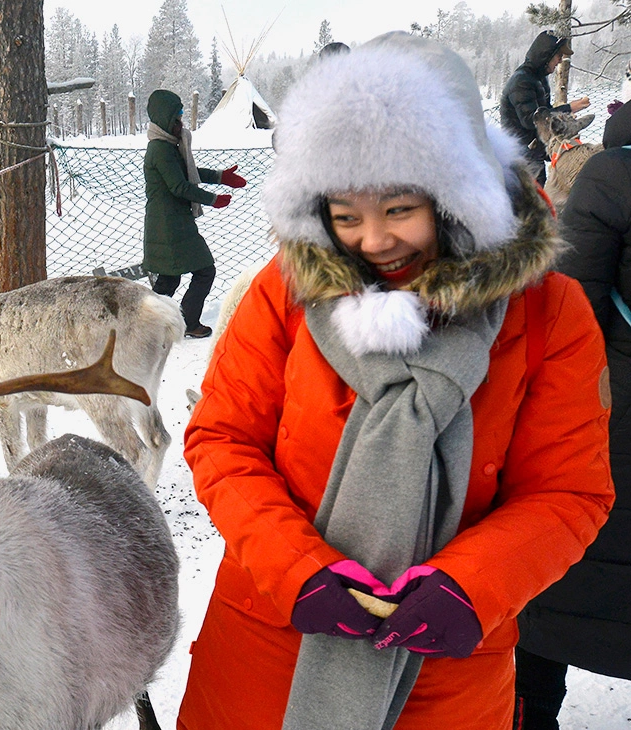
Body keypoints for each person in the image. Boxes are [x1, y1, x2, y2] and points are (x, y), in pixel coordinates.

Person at [177, 32, 613, 730]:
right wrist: (298, 571)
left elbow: (568, 490)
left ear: (457, 197)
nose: (373, 241)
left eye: (399, 210)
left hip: (448, 672)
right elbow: (223, 441)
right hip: (269, 654)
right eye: (345, 216)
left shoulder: (548, 314)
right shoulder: (283, 294)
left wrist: (472, 587)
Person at [513, 101, 631, 730]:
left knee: (549, 593)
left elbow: (571, 314)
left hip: (606, 425)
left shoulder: (609, 177)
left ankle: (528, 713)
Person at [143, 89, 247, 339]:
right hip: (170, 226)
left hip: (172, 224)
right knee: (203, 270)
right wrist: (212, 199)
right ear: (165, 119)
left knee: (169, 280)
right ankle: (185, 322)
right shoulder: (160, 149)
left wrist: (220, 177)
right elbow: (179, 186)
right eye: (177, 118)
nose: (181, 123)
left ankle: (147, 325)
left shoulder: (167, 146)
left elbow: (188, 172)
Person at [500, 30, 590, 185]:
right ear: (546, 55)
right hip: (520, 157)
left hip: (532, 153)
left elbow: (545, 111)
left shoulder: (538, 79)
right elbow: (532, 120)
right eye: (558, 56)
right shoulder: (522, 81)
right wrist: (568, 108)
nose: (560, 61)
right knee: (530, 203)